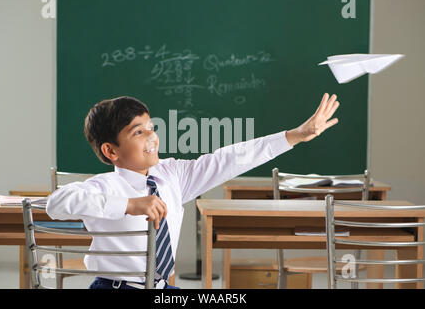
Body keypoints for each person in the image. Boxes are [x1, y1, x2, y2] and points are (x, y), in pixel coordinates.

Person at [46, 93, 340, 289]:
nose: (152, 137)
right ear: (111, 150)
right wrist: (129, 204)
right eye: (138, 132)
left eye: (150, 127)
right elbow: (57, 203)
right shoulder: (106, 186)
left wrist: (294, 136)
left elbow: (232, 158)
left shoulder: (172, 175)